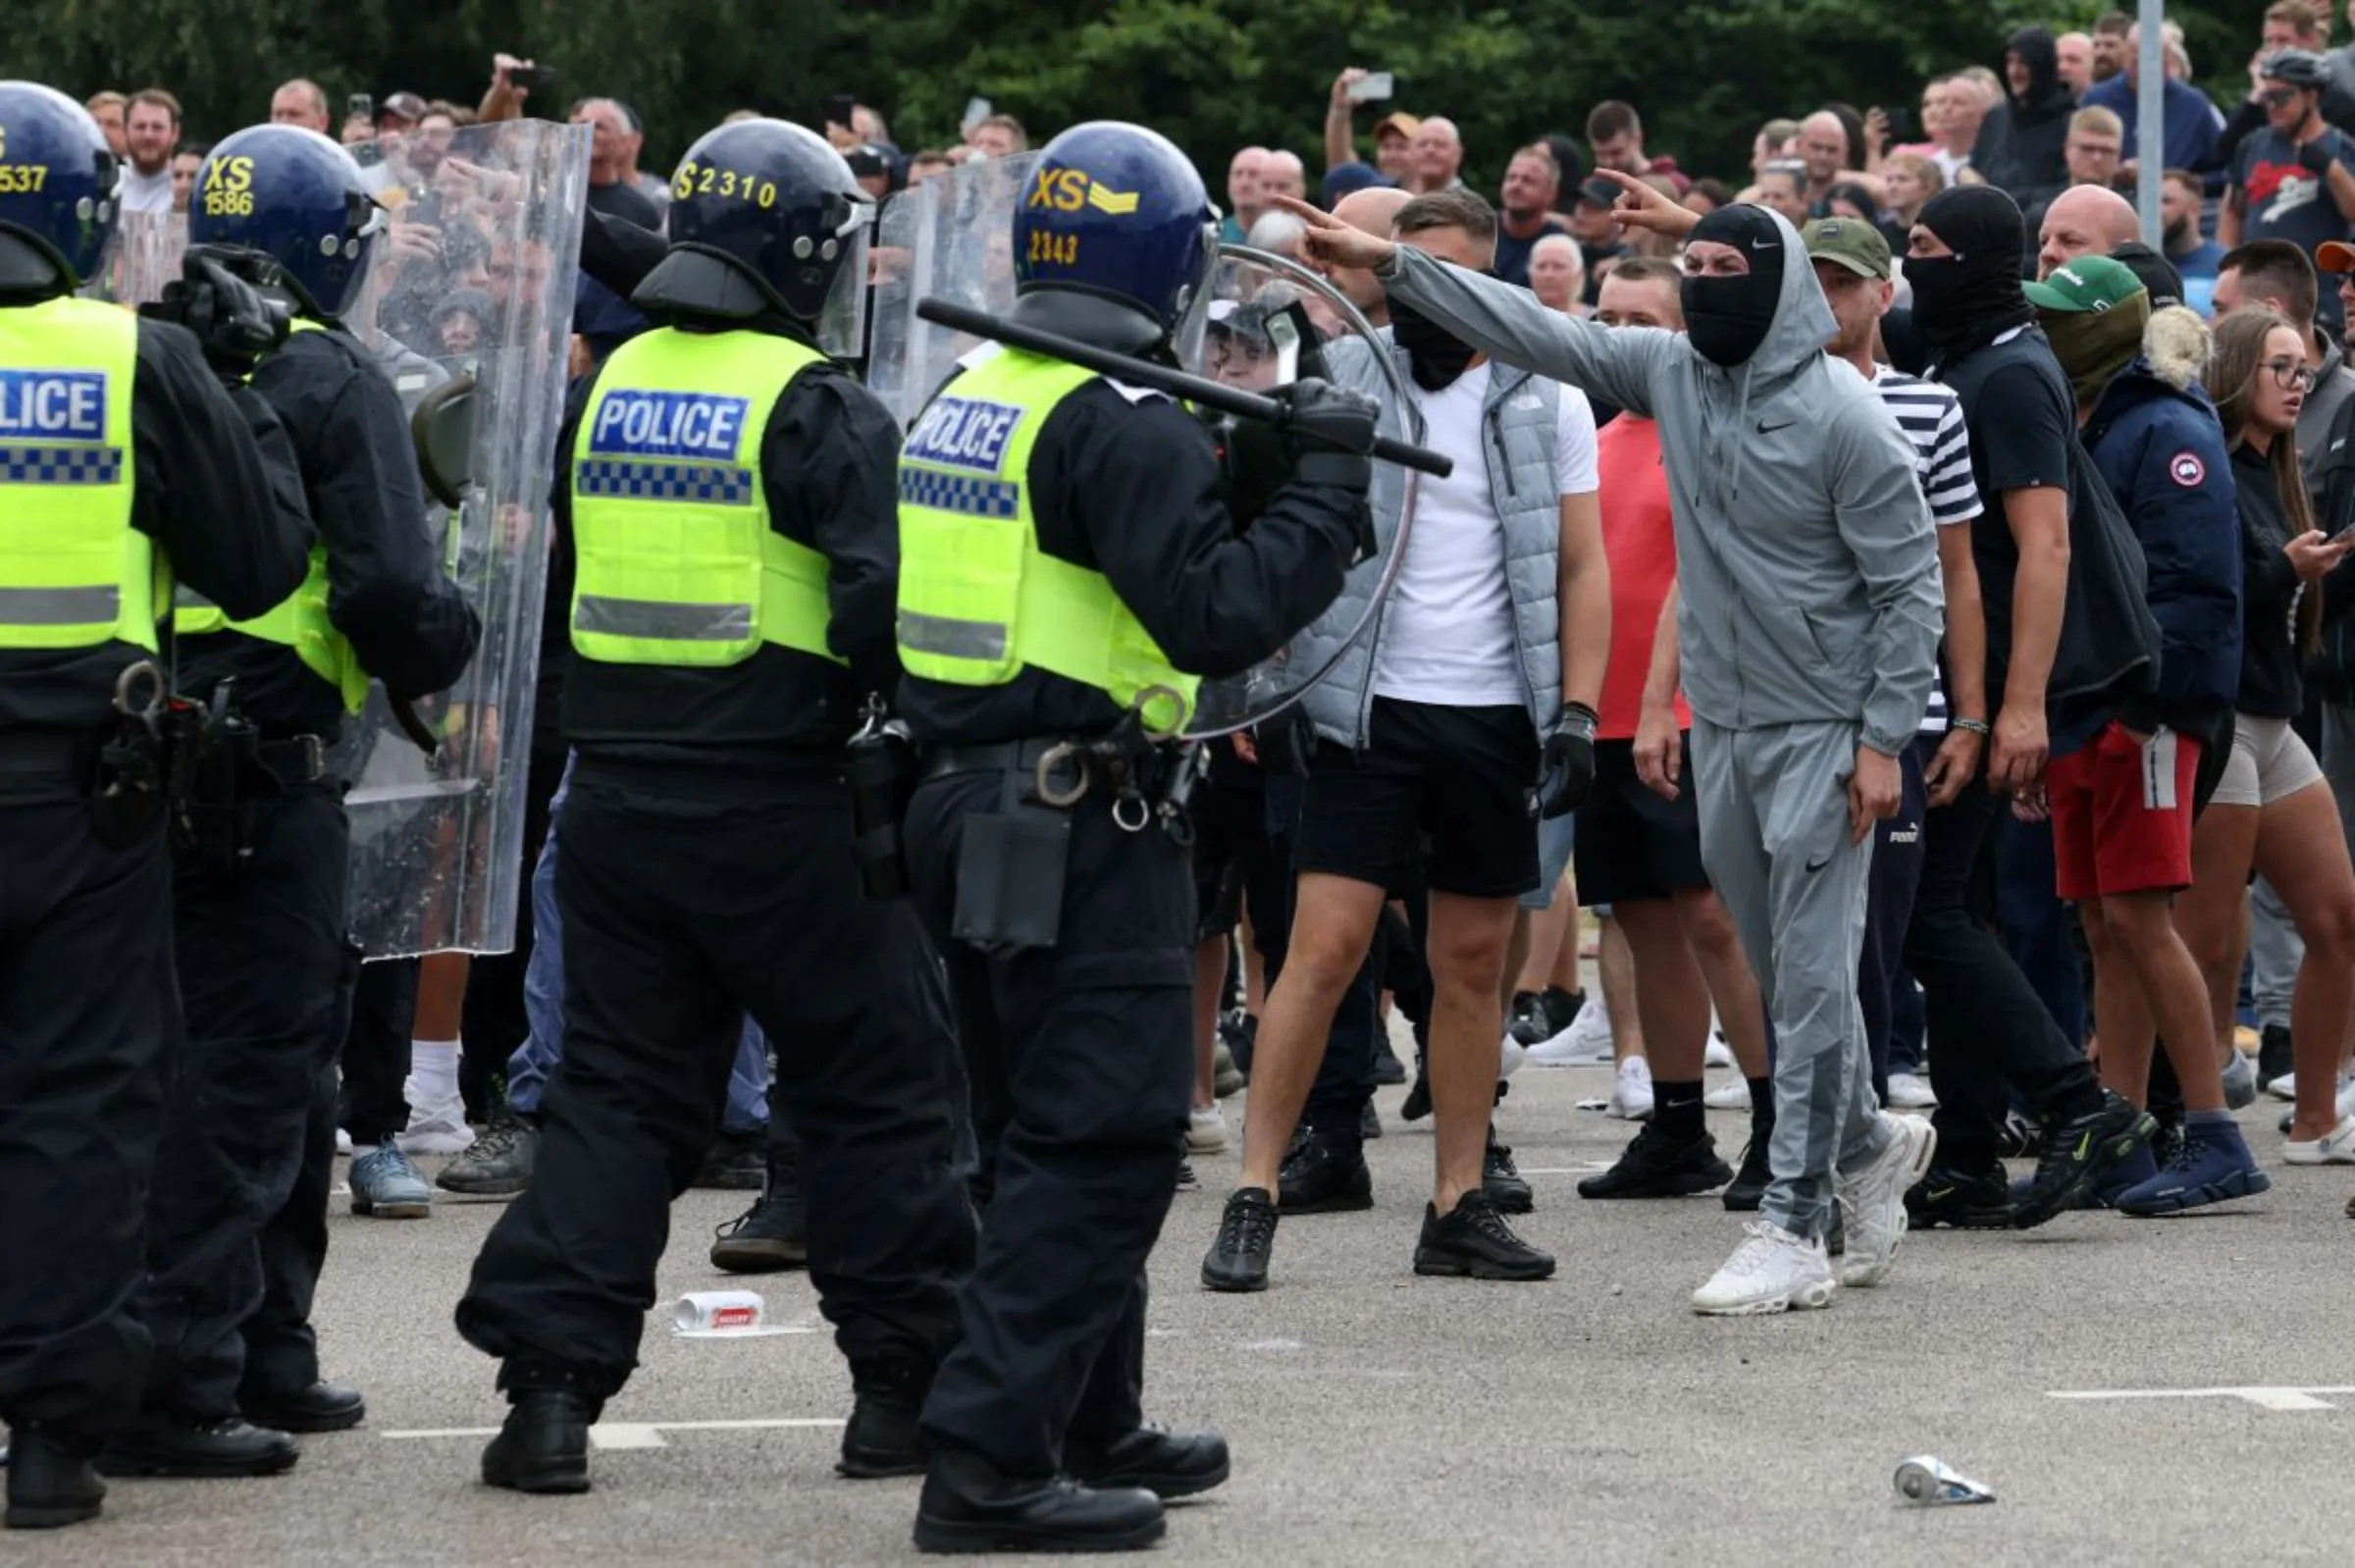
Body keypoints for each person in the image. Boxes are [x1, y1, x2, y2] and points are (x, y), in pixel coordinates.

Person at [1269, 184, 1947, 1317]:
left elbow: (1910, 587)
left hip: (1828, 730)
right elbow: (1540, 329)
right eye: (1700, 275)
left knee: (1817, 969)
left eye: (1733, 277)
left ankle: (1795, 1220)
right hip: (1728, 722)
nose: (1707, 295)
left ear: (1780, 293)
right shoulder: (1673, 375)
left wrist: (1884, 740)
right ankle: (1871, 1139)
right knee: (1786, 969)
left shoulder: (1849, 418)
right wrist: (1397, 265)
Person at [450, 118, 976, 1500]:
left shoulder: (612, 381)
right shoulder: (818, 400)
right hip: (789, 808)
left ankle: (547, 1401)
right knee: (875, 1095)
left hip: (621, 804)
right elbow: (883, 606)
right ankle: (901, 1395)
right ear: (806, 256)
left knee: (617, 1100)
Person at [894, 121, 1373, 1551]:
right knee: (1099, 1140)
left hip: (970, 799)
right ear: (1171, 270)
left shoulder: (981, 389)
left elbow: (1101, 546)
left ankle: (1089, 1415)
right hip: (1074, 812)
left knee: (1029, 1128)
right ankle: (987, 1461)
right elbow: (1217, 614)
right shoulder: (1120, 419)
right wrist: (1329, 486)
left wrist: (1249, 465)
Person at [98, 124, 482, 1481]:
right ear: (340, 246)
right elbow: (387, 588)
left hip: (137, 757)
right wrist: (455, 635)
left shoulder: (149, 351)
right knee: (256, 1077)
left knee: (168, 1065)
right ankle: (187, 1380)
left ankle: (269, 1349)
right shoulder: (330, 373)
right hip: (271, 777)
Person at [1199, 183, 1611, 1296]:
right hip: (1361, 711)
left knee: (1469, 966)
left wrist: (1576, 709)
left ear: (1486, 276)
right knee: (1321, 954)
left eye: (1445, 273)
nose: (1420, 293)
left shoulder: (1548, 391)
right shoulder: (1339, 376)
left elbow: (1581, 566)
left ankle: (1457, 1202)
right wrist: (1266, 683)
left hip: (1493, 717)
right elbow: (1279, 540)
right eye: (1401, 267)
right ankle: (1254, 1194)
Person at [0, 80, 312, 1531]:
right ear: (78, 210)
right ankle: (53, 1439)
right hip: (84, 793)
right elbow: (255, 569)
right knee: (80, 1098)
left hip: (83, 783)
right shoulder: (134, 357)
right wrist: (227, 393)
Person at [1893, 185, 2165, 1229]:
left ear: (1976, 260)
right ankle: (1965, 1152)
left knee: (1933, 914)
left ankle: (2078, 1102)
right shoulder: (1970, 350)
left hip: (2004, 684)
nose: (1916, 266)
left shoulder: (2007, 373)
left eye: (1929, 249)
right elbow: (1847, 300)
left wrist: (2012, 711)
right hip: (1980, 677)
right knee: (1962, 909)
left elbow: (2044, 547)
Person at [2024, 257, 2261, 1212]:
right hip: (2094, 709)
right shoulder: (2101, 416)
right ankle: (2117, 1133)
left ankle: (2212, 1131)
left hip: (2143, 714)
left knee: (2141, 918)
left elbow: (2199, 588)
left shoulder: (2164, 426)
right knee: (2105, 923)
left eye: (2054, 316)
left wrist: (2143, 709)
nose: (2036, 327)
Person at [2196, 309, 2355, 1166]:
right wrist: (2283, 570)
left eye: (2303, 368)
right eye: (2278, 367)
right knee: (2203, 943)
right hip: (2220, 723)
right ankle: (2148, 1108)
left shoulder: (2278, 472)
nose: (2297, 382)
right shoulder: (2211, 467)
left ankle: (2315, 1120)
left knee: (2338, 918)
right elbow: (2204, 596)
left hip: (2272, 718)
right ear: (2233, 372)